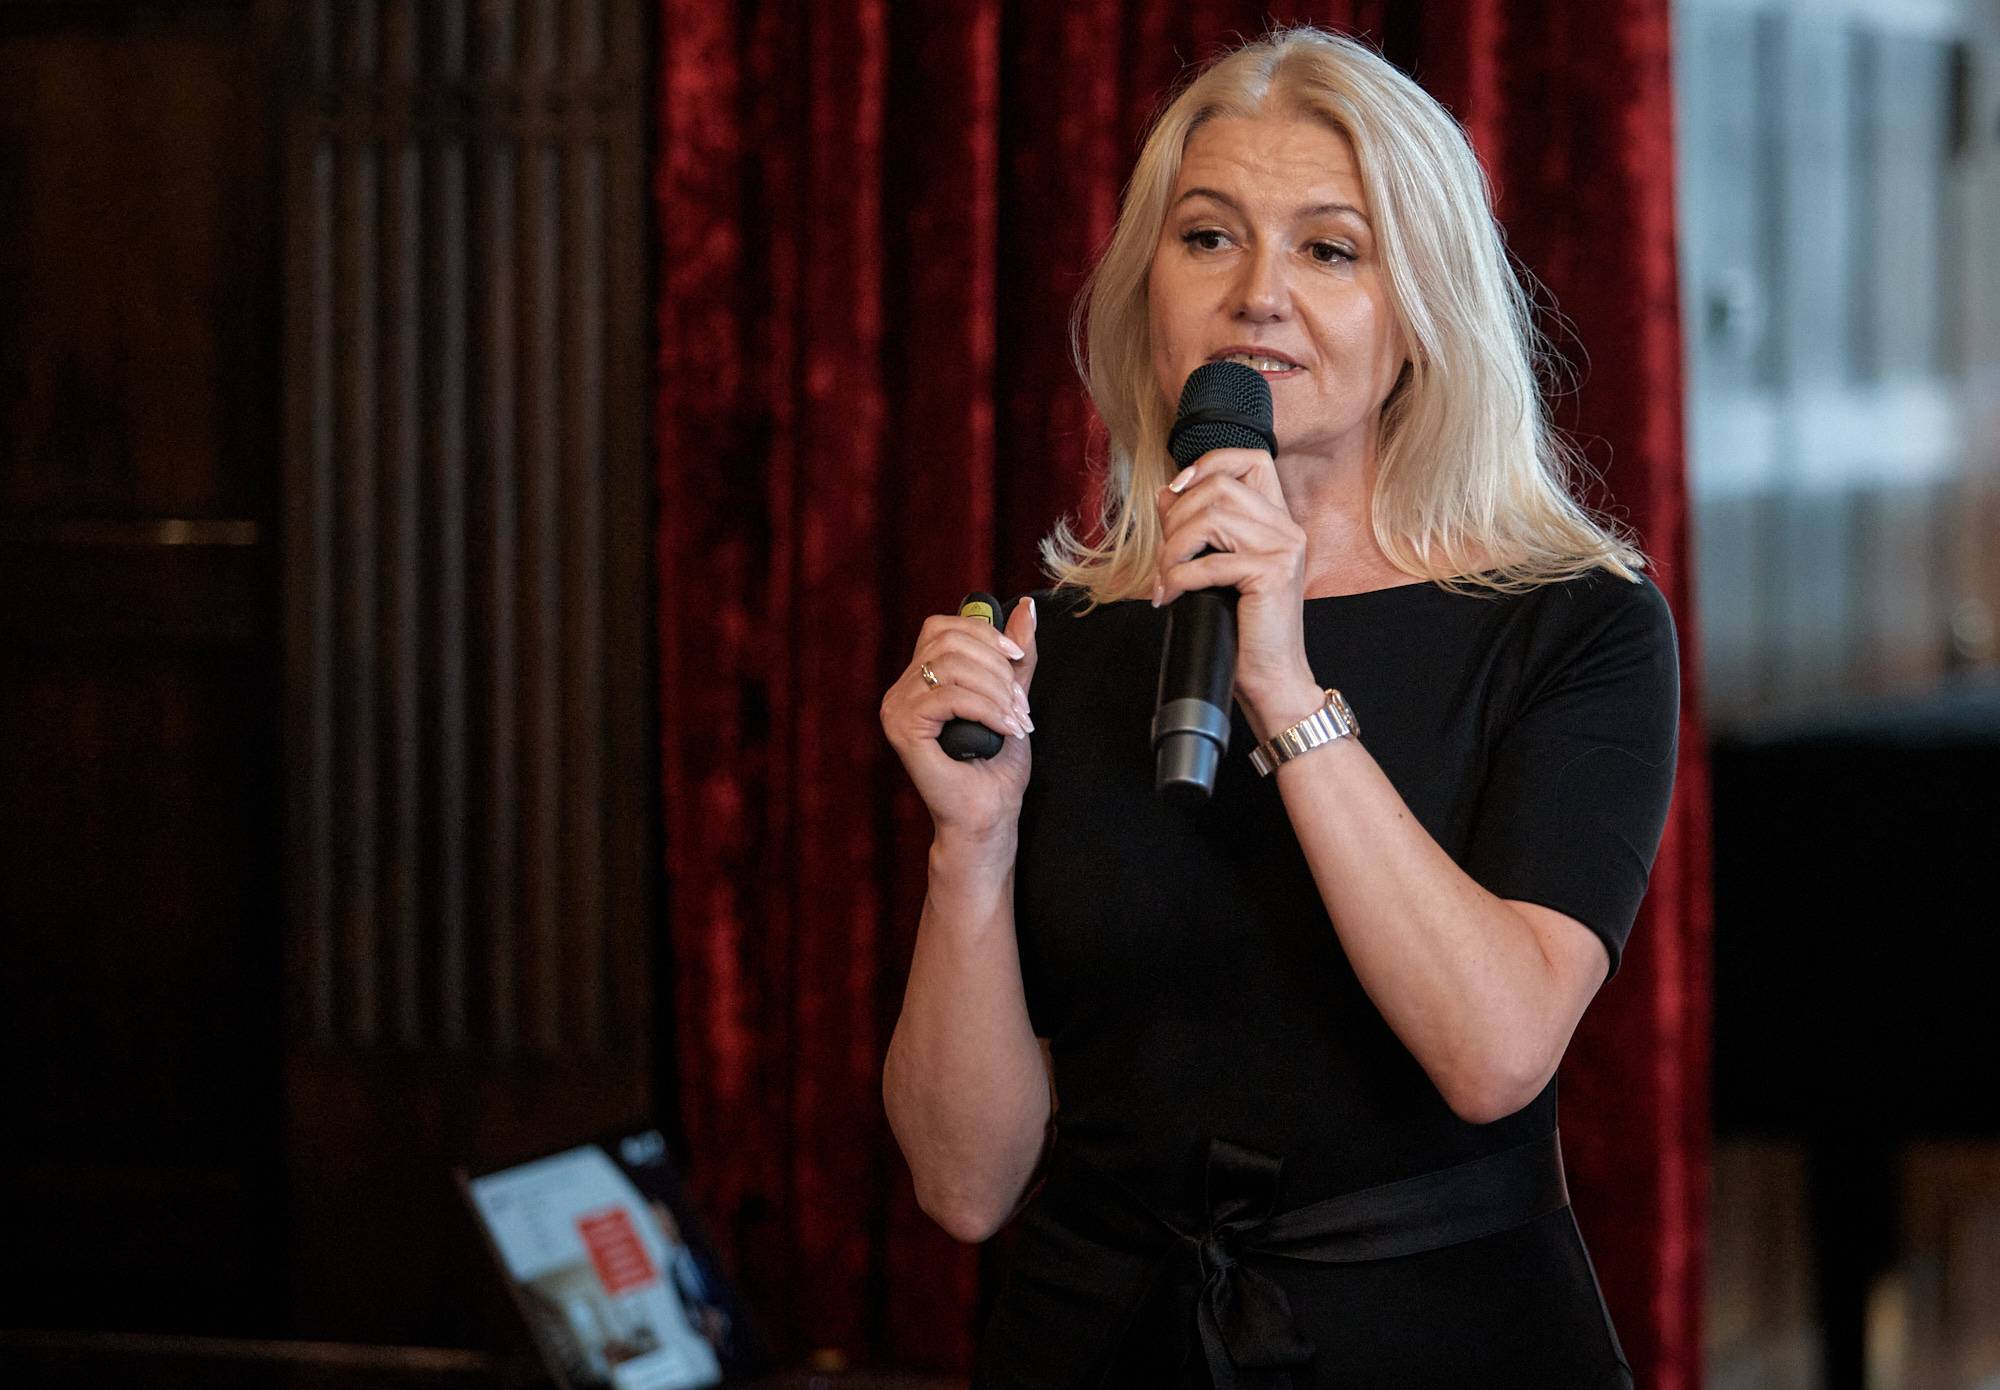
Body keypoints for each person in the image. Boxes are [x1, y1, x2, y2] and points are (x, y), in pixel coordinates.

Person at [878, 24, 1677, 1390]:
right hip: (1097, 1339)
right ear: (1149, 287)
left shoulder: (1575, 625)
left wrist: (1283, 684)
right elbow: (964, 1187)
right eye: (1208, 237)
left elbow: (1495, 1053)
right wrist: (972, 844)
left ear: (1420, 306)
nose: (1259, 295)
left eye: (1330, 249)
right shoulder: (1064, 638)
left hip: (1440, 1343)